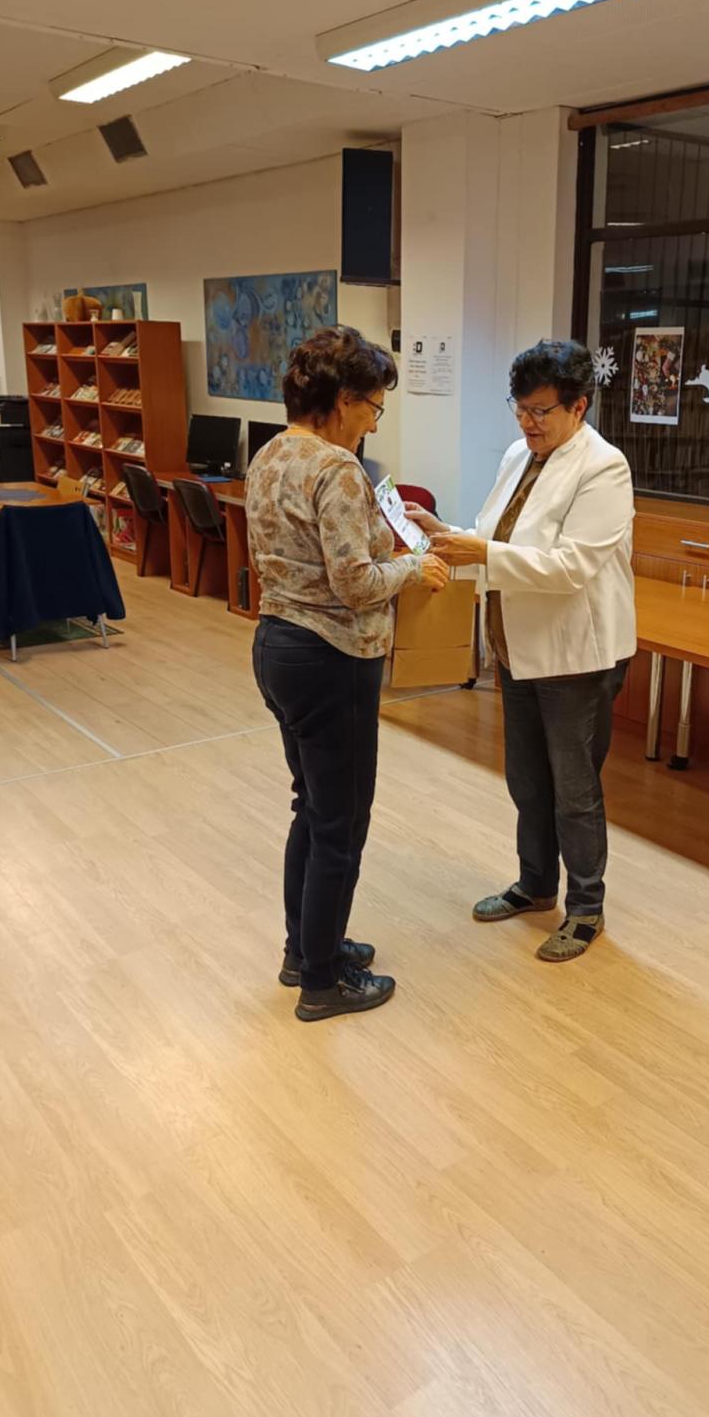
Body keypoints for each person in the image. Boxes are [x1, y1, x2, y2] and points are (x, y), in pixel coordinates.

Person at [405, 339, 635, 962]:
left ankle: (585, 908)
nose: (527, 422)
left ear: (578, 406)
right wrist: (445, 533)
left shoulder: (604, 467)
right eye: (520, 408)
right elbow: (498, 536)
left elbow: (570, 566)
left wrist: (480, 552)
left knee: (574, 788)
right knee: (527, 780)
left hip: (576, 656)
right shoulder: (519, 455)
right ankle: (536, 885)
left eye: (540, 411)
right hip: (516, 647)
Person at [246, 326, 449, 1020]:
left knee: (312, 807)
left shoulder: (270, 453)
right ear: (340, 401)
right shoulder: (336, 468)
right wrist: (414, 567)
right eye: (372, 405)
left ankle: (306, 948)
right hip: (332, 657)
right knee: (341, 824)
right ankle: (323, 981)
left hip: (278, 646)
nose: (374, 421)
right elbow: (356, 584)